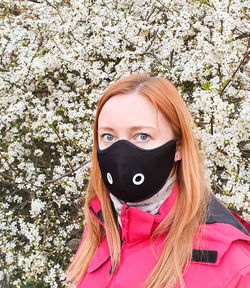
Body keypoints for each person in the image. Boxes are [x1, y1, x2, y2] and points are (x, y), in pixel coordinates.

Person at [65, 74, 250, 288]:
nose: (122, 154)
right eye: (108, 137)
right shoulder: (101, 229)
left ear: (178, 148)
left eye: (142, 136)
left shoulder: (232, 263)